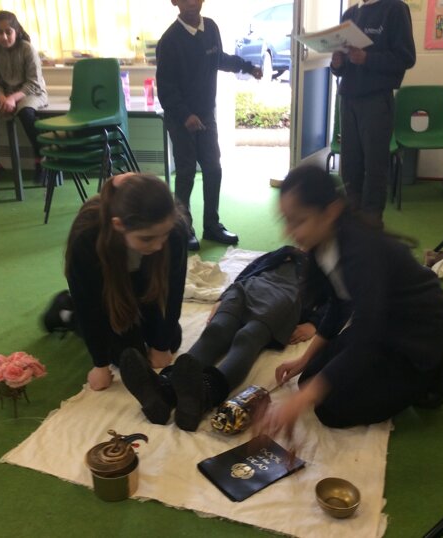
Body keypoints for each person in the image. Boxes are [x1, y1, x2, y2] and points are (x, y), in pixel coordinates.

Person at [257, 164, 443, 437]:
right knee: (309, 380)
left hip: (417, 335)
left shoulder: (362, 251)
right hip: (383, 323)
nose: (289, 232)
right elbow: (338, 305)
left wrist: (299, 402)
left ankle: (434, 371)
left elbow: (367, 336)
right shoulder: (323, 243)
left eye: (299, 221)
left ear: (331, 211)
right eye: (286, 221)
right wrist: (305, 359)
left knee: (330, 409)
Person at [120, 246, 318, 431]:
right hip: (245, 289)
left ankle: (205, 394)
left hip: (282, 298)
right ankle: (164, 390)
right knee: (216, 330)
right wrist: (223, 297)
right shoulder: (283, 251)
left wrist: (314, 323)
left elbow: (332, 300)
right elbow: (249, 271)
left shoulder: (322, 266)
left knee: (247, 338)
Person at [62, 173, 189, 391]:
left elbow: (173, 291)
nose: (158, 246)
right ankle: (65, 313)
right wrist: (100, 364)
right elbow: (89, 306)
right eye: (147, 238)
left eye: (164, 235)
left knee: (172, 341)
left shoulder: (175, 230)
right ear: (119, 225)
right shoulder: (86, 237)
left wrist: (161, 345)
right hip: (106, 294)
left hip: (143, 288)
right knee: (129, 356)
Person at [157, 0, 263, 251]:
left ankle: (212, 226)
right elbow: (166, 88)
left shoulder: (211, 28)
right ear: (174, 2)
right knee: (185, 173)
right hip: (181, 119)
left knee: (213, 169)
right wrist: (185, 115)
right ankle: (183, 228)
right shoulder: (169, 41)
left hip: (206, 115)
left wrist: (247, 67)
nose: (191, 2)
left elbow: (218, 59)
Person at [330, 0, 416, 227]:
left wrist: (368, 58)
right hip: (348, 99)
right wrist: (337, 64)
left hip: (376, 100)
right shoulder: (350, 14)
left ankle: (371, 224)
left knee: (375, 166)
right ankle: (352, 221)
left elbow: (406, 58)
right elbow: (342, 68)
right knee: (350, 165)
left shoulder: (394, 9)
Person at [0, 11, 47, 191]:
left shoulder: (27, 49)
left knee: (26, 113)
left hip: (31, 92)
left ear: (16, 31)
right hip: (2, 93)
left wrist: (13, 99)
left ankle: (42, 161)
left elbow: (33, 83)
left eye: (8, 32)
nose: (4, 36)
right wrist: (3, 98)